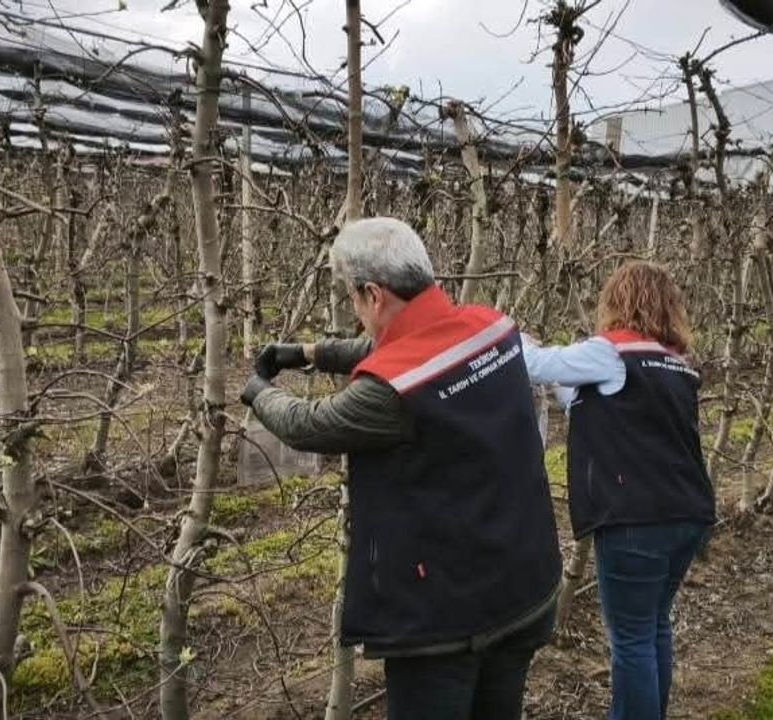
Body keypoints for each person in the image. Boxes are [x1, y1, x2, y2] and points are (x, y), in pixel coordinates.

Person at [239, 217, 562, 720]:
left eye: (352, 297)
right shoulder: (492, 329)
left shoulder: (390, 394)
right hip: (525, 583)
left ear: (372, 294)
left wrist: (258, 389)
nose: (354, 308)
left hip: (447, 618)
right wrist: (307, 354)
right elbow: (396, 346)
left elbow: (309, 425)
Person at [521, 261, 715, 720]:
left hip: (635, 520)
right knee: (652, 627)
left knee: (630, 639)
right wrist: (558, 383)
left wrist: (507, 335)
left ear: (617, 302)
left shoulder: (610, 352)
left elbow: (535, 364)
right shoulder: (677, 364)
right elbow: (594, 401)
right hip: (687, 513)